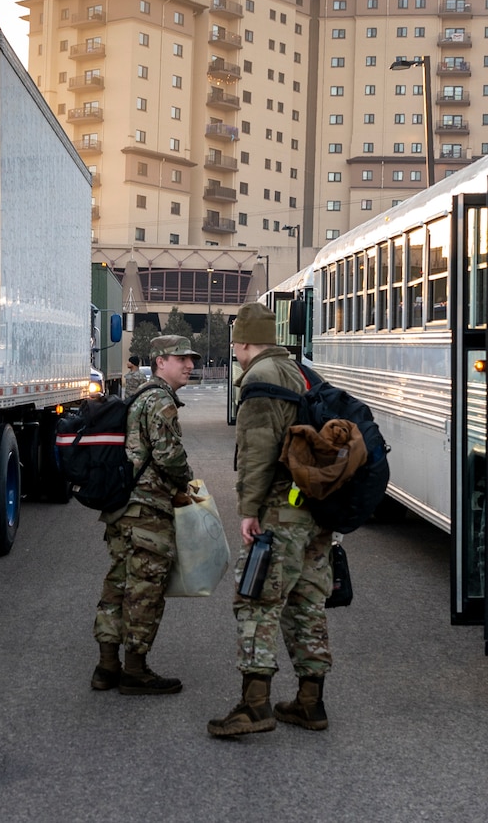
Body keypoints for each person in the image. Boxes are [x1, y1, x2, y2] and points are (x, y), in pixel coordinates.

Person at [208, 302, 333, 737]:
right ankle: (309, 703)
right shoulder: (302, 371)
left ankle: (255, 706)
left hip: (279, 512)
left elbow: (258, 453)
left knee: (257, 601)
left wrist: (247, 512)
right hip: (314, 512)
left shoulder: (260, 378)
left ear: (240, 342)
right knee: (306, 604)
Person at [91, 334, 200, 695]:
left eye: (190, 359)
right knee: (145, 590)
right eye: (180, 358)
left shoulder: (140, 395)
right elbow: (169, 456)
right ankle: (135, 671)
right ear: (159, 362)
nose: (189, 365)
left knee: (118, 584)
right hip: (148, 512)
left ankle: (107, 667)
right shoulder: (160, 401)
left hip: (123, 508)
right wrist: (186, 483)